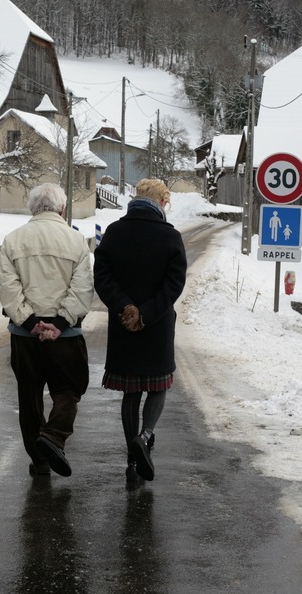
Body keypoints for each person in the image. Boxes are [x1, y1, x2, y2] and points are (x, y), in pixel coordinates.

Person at [93, 178, 187, 484]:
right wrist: (145, 314)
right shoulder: (170, 237)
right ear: (161, 203)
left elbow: (103, 278)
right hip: (156, 325)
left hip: (123, 327)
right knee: (158, 387)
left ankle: (132, 461)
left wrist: (126, 309)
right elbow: (174, 285)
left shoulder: (114, 232)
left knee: (131, 393)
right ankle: (145, 438)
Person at [0, 183, 94, 478]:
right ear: (62, 209)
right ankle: (54, 435)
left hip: (25, 338)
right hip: (66, 337)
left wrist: (29, 323)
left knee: (29, 396)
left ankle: (39, 461)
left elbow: (7, 287)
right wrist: (61, 323)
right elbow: (82, 287)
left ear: (32, 207)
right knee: (69, 389)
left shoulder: (13, 241)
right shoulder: (76, 241)